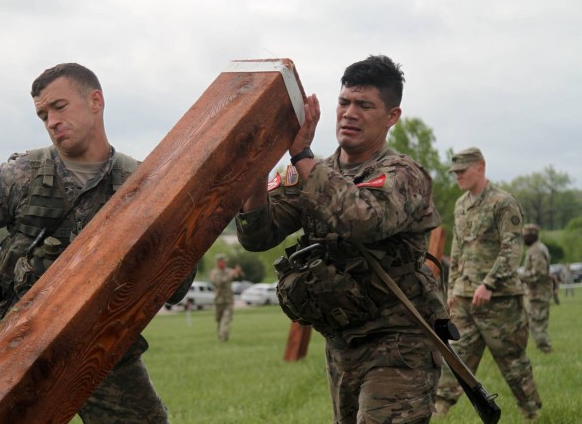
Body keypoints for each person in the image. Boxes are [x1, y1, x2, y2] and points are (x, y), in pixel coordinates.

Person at [0, 63, 193, 423]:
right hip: (16, 341)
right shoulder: (21, 174)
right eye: (43, 114)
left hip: (100, 343)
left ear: (95, 101)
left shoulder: (140, 185)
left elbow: (176, 287)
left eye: (59, 107)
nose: (51, 121)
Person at [237, 55, 448, 423]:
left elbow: (361, 219)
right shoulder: (312, 171)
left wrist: (301, 155)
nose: (349, 113)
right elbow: (257, 235)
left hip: (399, 342)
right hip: (341, 342)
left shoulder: (403, 175)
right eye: (344, 102)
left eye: (365, 105)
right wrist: (256, 172)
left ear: (392, 116)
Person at [434, 147, 542, 420]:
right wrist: (453, 289)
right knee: (454, 359)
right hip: (465, 299)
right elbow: (457, 251)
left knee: (513, 362)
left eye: (462, 171)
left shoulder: (503, 203)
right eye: (454, 172)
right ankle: (438, 411)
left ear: (479, 167)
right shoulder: (461, 205)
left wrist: (490, 284)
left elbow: (512, 249)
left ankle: (532, 413)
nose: (457, 176)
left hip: (500, 301)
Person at [519, 223, 553, 353]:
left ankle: (546, 349)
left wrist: (521, 276)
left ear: (531, 236)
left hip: (538, 293)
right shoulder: (537, 248)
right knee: (533, 322)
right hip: (537, 292)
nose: (523, 239)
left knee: (537, 324)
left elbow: (539, 272)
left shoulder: (536, 250)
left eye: (525, 236)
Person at [209, 253, 243, 341]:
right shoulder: (214, 273)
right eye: (223, 262)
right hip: (219, 300)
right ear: (218, 262)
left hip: (228, 300)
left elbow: (239, 276)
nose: (225, 263)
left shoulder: (229, 271)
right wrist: (231, 275)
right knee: (219, 319)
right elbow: (218, 282)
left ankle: (224, 336)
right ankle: (221, 335)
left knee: (227, 318)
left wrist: (238, 272)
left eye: (225, 262)